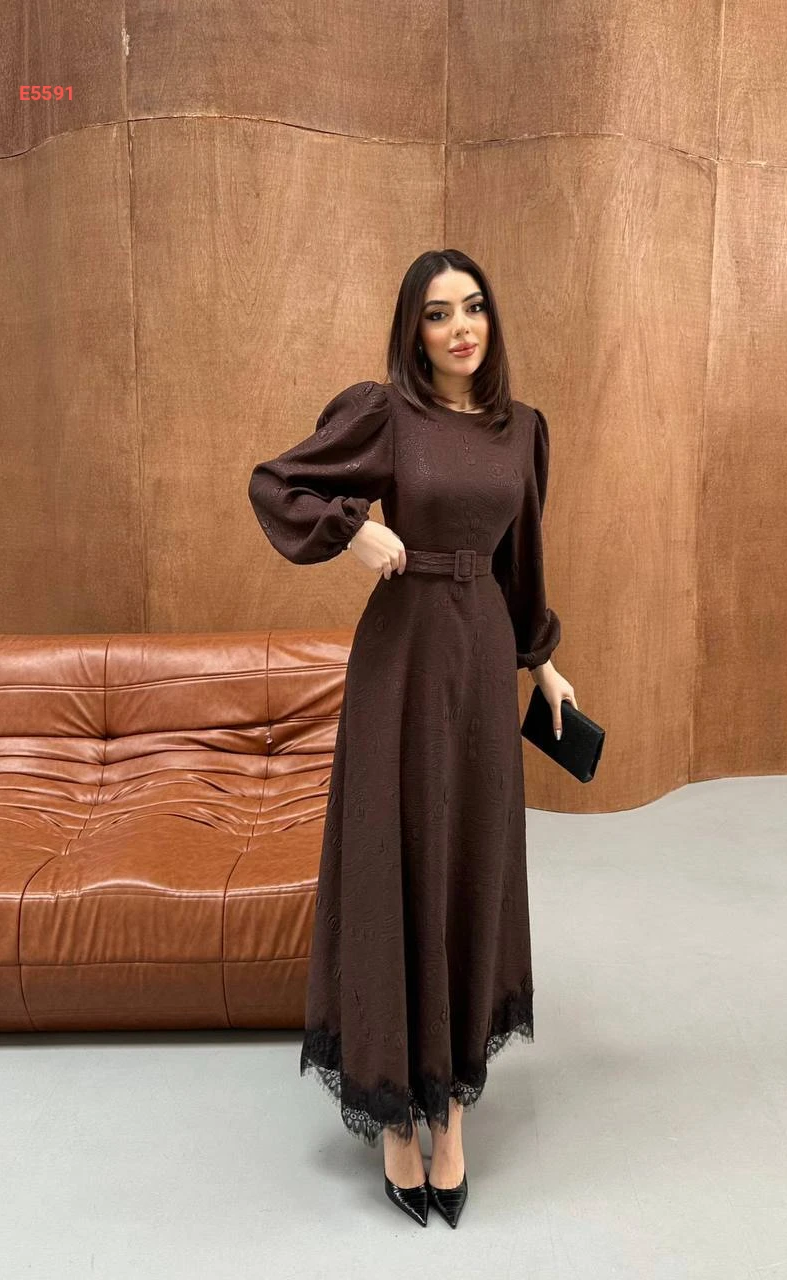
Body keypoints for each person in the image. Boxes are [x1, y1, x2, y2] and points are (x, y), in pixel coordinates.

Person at [247, 248, 576, 1228]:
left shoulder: (523, 429)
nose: (460, 327)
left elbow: (522, 562)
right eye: (437, 314)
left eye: (472, 307)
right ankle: (396, 1109)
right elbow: (276, 484)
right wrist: (352, 529)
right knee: (396, 861)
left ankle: (452, 1107)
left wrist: (543, 665)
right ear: (413, 330)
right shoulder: (386, 413)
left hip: (480, 659)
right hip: (399, 660)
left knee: (468, 863)